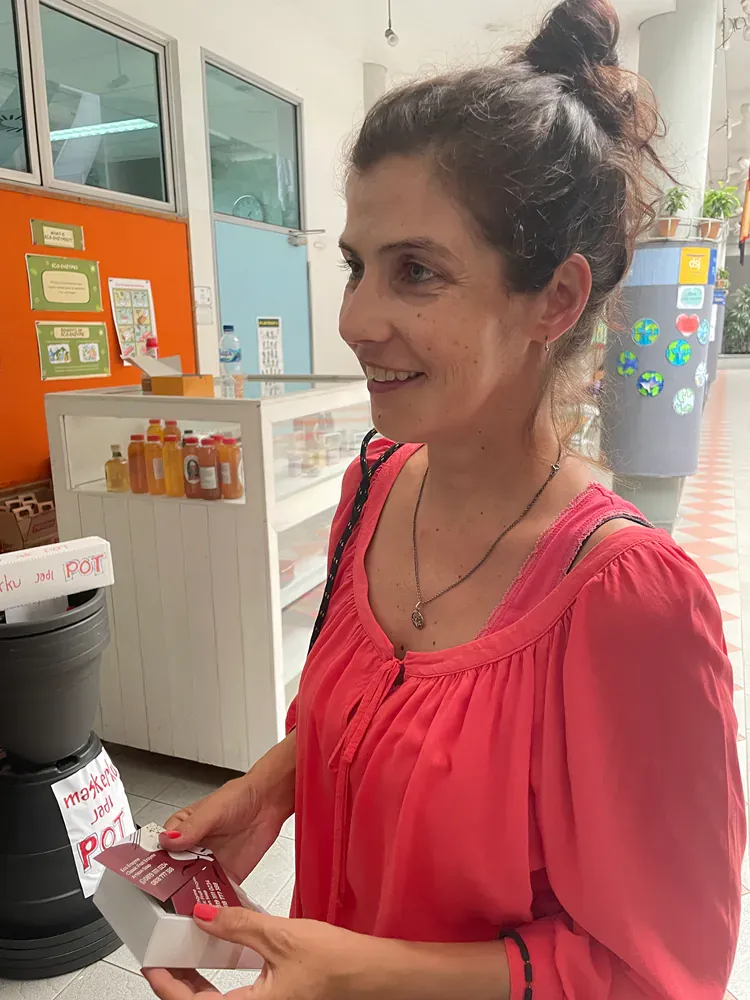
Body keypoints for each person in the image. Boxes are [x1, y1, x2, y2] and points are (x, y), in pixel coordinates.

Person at [144, 0, 745, 996]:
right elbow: (382, 724)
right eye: (356, 266)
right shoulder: (372, 489)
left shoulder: (629, 601)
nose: (354, 318)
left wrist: (358, 976)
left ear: (554, 298)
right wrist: (274, 785)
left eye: (415, 272)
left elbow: (655, 970)